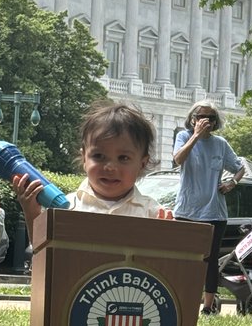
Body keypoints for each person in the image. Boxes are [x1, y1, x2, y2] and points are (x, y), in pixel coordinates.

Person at [13, 101, 169, 240]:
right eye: (99, 156)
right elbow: (44, 251)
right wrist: (32, 212)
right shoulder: (67, 208)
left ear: (142, 163)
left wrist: (170, 236)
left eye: (123, 158)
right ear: (84, 159)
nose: (110, 167)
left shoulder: (153, 214)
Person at [172, 101, 247, 315]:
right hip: (186, 211)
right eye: (203, 116)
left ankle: (208, 306)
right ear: (193, 119)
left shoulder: (220, 144)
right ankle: (184, 301)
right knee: (185, 258)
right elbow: (177, 159)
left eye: (212, 118)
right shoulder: (184, 137)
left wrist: (232, 183)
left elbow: (240, 168)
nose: (207, 121)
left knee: (210, 259)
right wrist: (195, 136)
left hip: (214, 212)